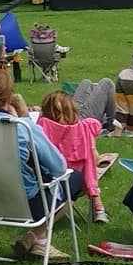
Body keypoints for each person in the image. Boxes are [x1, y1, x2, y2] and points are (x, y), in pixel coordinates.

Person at [0, 68, 79, 262]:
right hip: (25, 206)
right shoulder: (23, 128)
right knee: (75, 178)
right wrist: (23, 115)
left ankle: (34, 238)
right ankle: (37, 236)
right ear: (9, 97)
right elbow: (59, 167)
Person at [37, 90, 111, 223]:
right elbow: (96, 127)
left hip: (45, 182)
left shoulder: (43, 129)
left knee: (86, 84)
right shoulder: (83, 128)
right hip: (77, 180)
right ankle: (99, 207)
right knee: (90, 150)